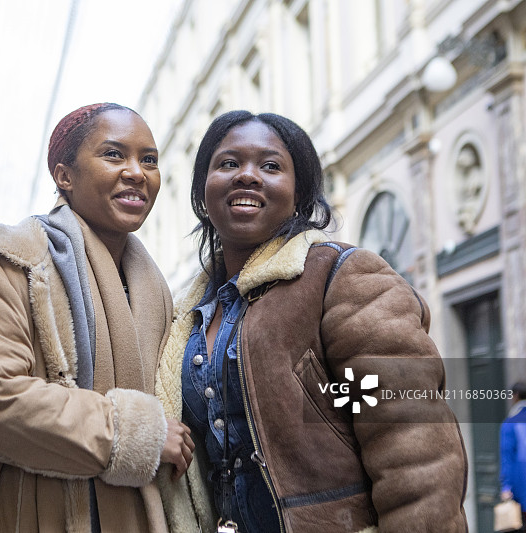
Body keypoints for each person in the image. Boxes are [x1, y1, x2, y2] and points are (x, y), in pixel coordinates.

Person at [155, 111, 468, 532]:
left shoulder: (340, 278)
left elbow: (412, 445)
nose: (247, 175)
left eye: (270, 166)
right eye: (228, 163)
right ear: (202, 191)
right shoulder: (186, 316)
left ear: (299, 192)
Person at [0, 102, 194, 532]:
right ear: (64, 176)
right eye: (113, 155)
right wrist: (134, 432)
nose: (136, 172)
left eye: (149, 160)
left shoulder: (157, 292)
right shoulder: (9, 266)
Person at [500, 381, 526, 529]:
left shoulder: (510, 424)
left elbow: (507, 458)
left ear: (514, 396)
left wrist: (506, 487)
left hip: (520, 491)